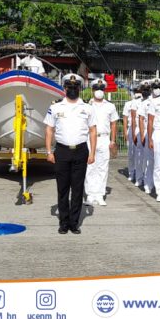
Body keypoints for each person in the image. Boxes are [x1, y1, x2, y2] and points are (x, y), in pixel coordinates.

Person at [44, 73, 96, 234]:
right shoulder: (55, 107)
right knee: (63, 188)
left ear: (79, 89)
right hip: (62, 151)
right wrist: (48, 151)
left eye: (75, 87)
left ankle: (74, 223)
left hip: (80, 151)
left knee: (78, 189)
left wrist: (92, 153)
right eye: (70, 87)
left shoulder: (87, 107)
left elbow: (93, 131)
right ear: (65, 88)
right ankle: (63, 222)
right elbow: (49, 129)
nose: (72, 90)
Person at [84, 78, 119, 206]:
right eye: (97, 89)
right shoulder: (87, 106)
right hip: (90, 138)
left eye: (102, 89)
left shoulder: (110, 106)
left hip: (104, 138)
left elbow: (114, 123)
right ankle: (90, 194)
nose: (99, 91)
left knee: (103, 167)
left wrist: (113, 140)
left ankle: (100, 194)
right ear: (93, 90)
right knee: (90, 167)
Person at [137, 78, 160, 193]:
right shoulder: (146, 102)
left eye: (159, 87)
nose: (157, 90)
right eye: (155, 88)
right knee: (148, 160)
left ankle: (159, 185)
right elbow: (141, 119)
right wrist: (142, 135)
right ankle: (148, 183)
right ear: (152, 89)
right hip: (149, 133)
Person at [133, 81, 152, 188]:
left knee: (149, 157)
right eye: (144, 90)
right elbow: (135, 119)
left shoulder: (152, 101)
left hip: (149, 130)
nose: (146, 92)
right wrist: (135, 133)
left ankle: (148, 179)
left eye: (147, 90)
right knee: (139, 156)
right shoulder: (136, 102)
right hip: (139, 130)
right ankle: (139, 178)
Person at [123, 86, 141, 183]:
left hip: (140, 128)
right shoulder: (128, 104)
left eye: (139, 91)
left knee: (140, 153)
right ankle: (131, 172)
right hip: (131, 129)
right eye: (136, 91)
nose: (138, 93)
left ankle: (140, 173)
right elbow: (125, 118)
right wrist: (126, 132)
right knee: (131, 153)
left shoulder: (145, 103)